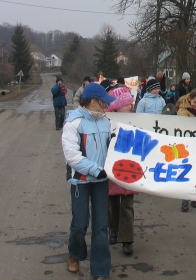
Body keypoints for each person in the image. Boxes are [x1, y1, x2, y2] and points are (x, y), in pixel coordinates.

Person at [62, 82, 115, 279]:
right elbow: (72, 156)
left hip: (100, 181)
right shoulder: (73, 123)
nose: (106, 106)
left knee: (101, 226)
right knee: (80, 223)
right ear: (93, 102)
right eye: (103, 102)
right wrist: (95, 170)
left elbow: (112, 148)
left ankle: (101, 270)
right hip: (81, 181)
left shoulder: (106, 121)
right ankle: (74, 253)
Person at [106, 88, 137, 255]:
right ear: (117, 106)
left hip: (130, 169)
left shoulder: (136, 120)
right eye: (126, 104)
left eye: (131, 104)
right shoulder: (106, 121)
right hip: (112, 167)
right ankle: (114, 229)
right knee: (112, 203)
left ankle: (127, 239)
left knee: (127, 205)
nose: (130, 107)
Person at [176, 89, 196, 211]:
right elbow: (184, 127)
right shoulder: (182, 111)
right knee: (186, 172)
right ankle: (184, 199)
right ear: (190, 100)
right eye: (195, 102)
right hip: (186, 145)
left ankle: (194, 197)